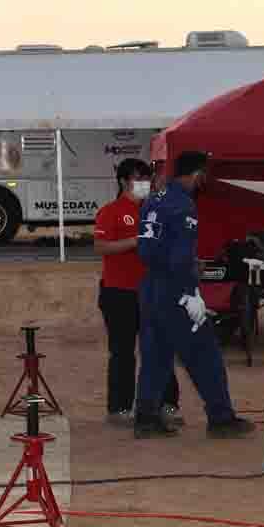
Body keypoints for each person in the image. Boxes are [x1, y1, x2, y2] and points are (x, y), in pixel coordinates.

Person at [134, 151, 254, 439]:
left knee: (155, 357)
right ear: (198, 174)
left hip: (150, 287)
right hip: (175, 291)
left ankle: (146, 418)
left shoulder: (154, 199)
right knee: (205, 355)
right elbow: (179, 256)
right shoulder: (183, 205)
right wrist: (191, 294)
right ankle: (221, 418)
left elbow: (148, 249)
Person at [94, 158, 181, 426]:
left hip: (154, 290)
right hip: (119, 293)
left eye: (147, 179)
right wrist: (135, 241)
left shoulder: (156, 210)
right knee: (122, 352)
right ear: (123, 181)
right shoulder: (110, 211)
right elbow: (101, 247)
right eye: (139, 179)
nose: (145, 184)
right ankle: (119, 408)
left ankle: (167, 405)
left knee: (160, 348)